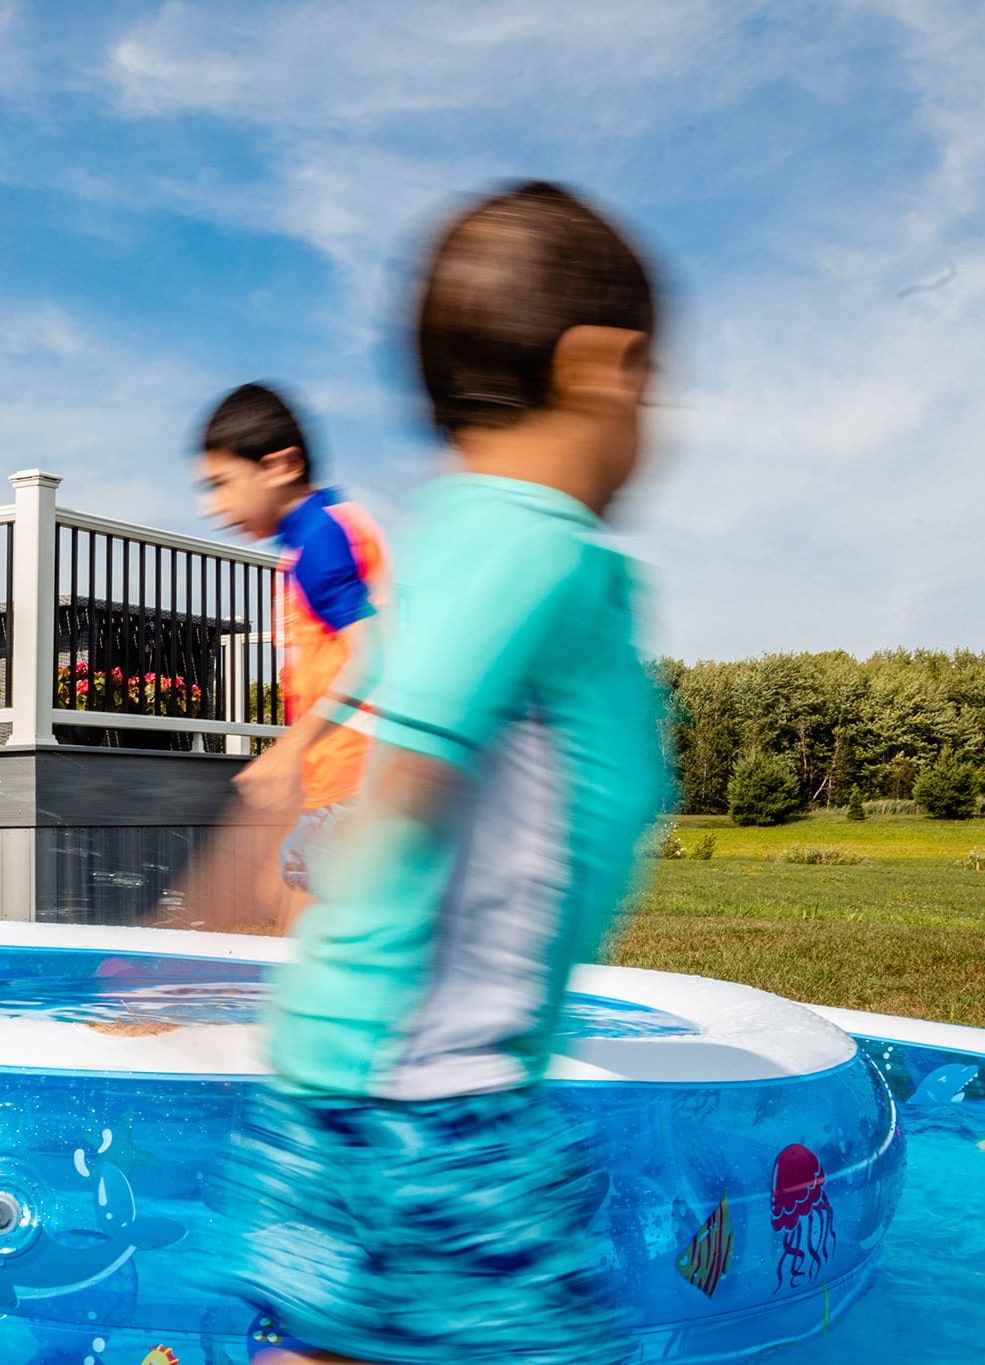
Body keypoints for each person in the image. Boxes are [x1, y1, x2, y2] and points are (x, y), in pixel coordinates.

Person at [227, 182, 668, 1365]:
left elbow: (374, 698)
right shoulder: (527, 541)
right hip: (434, 1099)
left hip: (355, 1073)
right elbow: (414, 748)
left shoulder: (452, 546)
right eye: (656, 386)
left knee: (331, 1347)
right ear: (601, 368)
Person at [195, 382, 386, 929]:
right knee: (275, 902)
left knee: (301, 958)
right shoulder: (316, 533)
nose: (214, 506)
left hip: (356, 785)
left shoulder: (323, 541)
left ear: (280, 465)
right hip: (337, 783)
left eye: (222, 483)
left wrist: (288, 751)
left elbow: (373, 658)